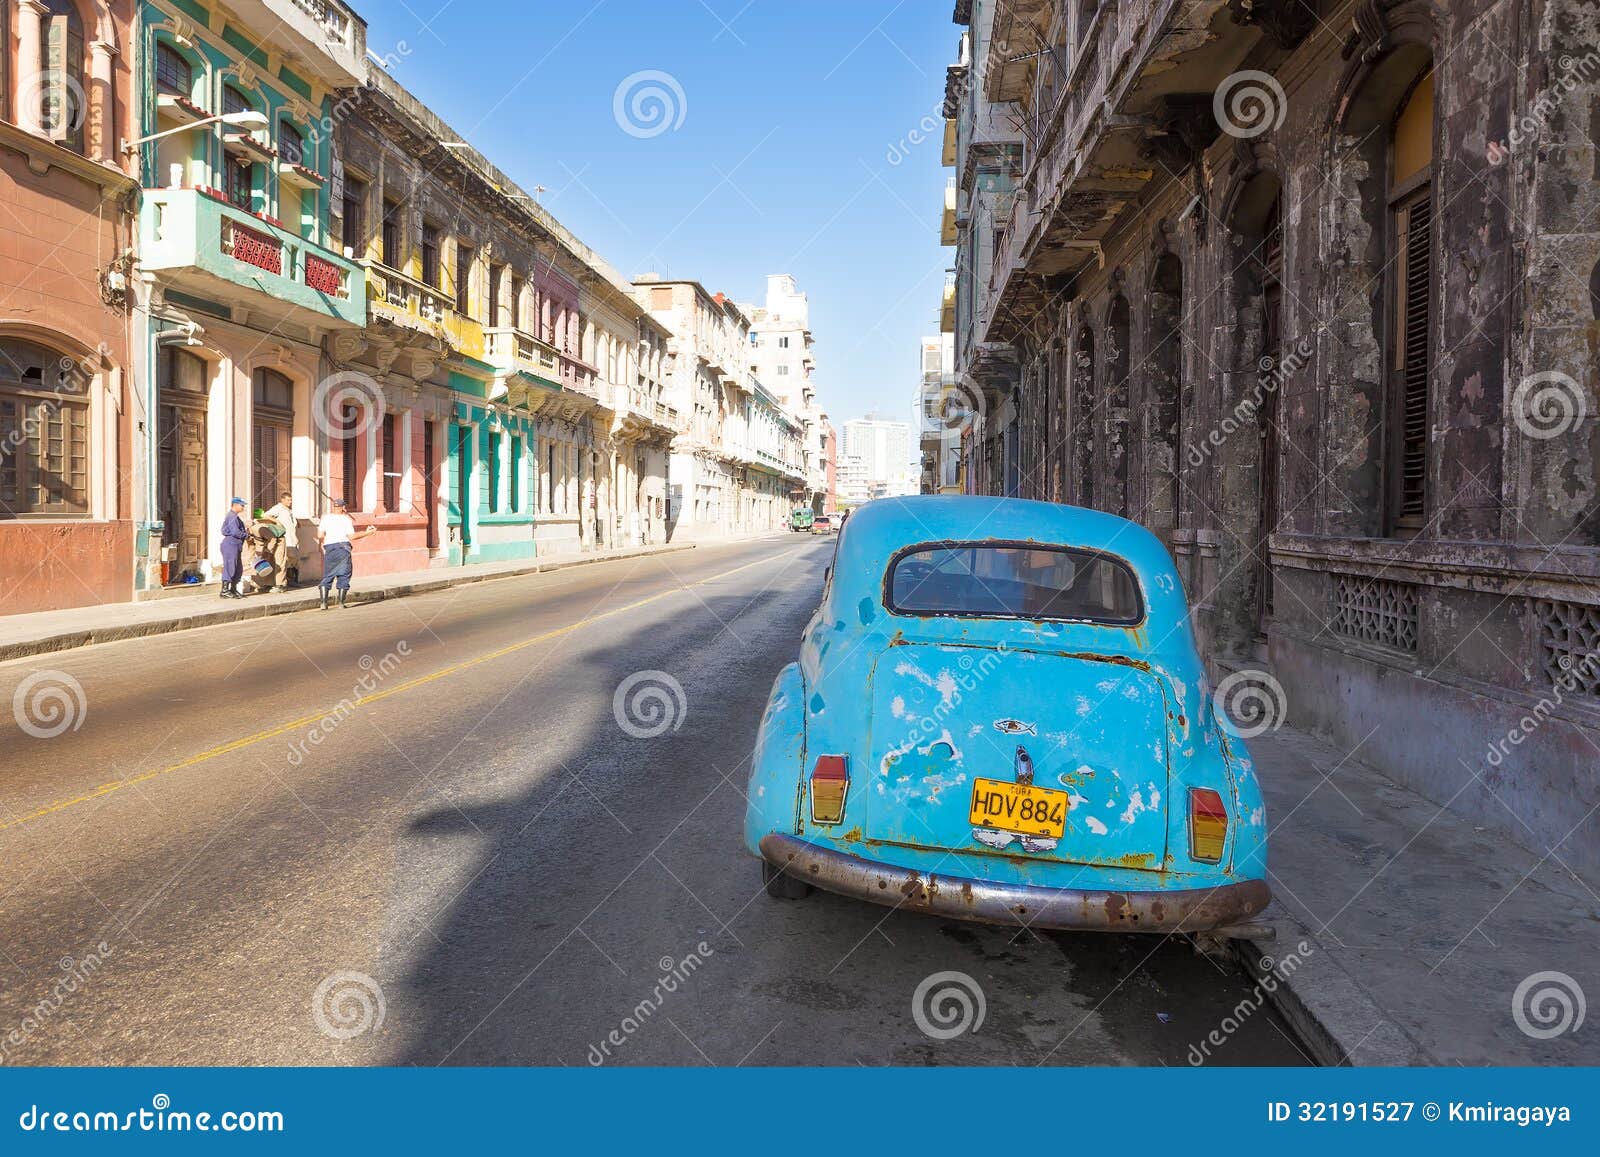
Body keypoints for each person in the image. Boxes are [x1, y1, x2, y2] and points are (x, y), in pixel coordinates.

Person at [316, 498, 378, 610]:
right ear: (342, 507)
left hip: (330, 548)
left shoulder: (325, 518)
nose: (345, 509)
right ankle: (340, 603)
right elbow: (352, 537)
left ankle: (323, 603)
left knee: (328, 575)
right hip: (343, 548)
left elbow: (320, 535)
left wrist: (331, 538)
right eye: (344, 507)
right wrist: (368, 533)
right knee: (344, 575)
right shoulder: (346, 519)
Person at [258, 491, 297, 592]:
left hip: (291, 539)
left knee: (291, 560)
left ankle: (288, 580)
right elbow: (266, 515)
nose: (290, 502)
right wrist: (276, 521)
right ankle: (280, 583)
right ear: (282, 499)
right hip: (282, 539)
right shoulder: (278, 508)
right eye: (288, 500)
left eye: (291, 500)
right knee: (281, 561)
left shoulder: (289, 510)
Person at [220, 497, 248, 599]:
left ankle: (233, 589)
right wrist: (246, 535)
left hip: (236, 545)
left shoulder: (235, 517)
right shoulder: (232, 516)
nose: (243, 507)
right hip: (230, 545)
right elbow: (235, 532)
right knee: (230, 566)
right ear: (235, 505)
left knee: (237, 568)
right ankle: (224, 590)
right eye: (242, 505)